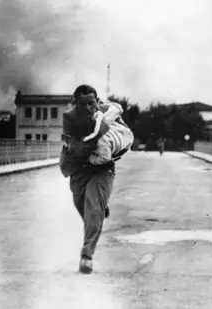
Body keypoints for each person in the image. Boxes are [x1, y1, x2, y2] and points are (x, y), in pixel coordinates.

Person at [60, 85, 128, 274]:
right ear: (76, 105)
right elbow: (74, 148)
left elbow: (122, 129)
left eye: (93, 103)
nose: (90, 108)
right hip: (79, 167)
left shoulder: (104, 111)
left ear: (97, 101)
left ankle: (87, 256)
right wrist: (94, 138)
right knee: (82, 205)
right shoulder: (69, 118)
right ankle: (98, 208)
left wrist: (110, 136)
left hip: (102, 168)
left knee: (93, 211)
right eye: (84, 104)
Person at [68, 93, 134, 165]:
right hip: (116, 131)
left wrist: (90, 158)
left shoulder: (99, 143)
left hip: (125, 138)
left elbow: (105, 158)